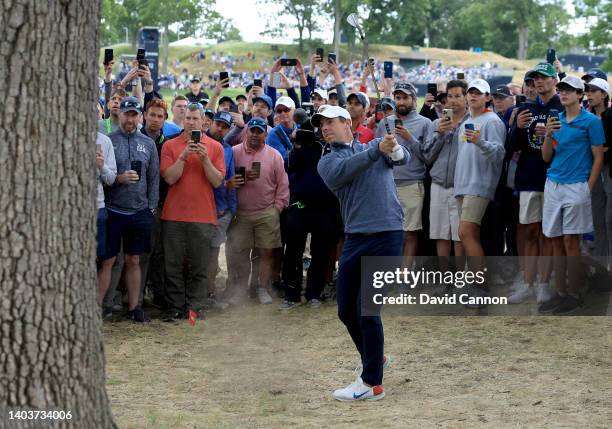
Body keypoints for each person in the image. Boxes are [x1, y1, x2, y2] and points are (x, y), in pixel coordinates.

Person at [317, 106, 409, 402]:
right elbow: (346, 171)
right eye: (322, 124)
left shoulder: (374, 146)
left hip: (388, 235)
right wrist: (378, 150)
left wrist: (393, 149)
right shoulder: (328, 161)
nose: (325, 128)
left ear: (347, 123)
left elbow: (403, 158)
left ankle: (371, 383)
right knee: (346, 310)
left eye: (331, 121)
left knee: (367, 309)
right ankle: (375, 357)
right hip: (356, 238)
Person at [540, 76, 605, 314]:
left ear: (580, 95)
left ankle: (575, 294)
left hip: (577, 185)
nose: (564, 93)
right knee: (556, 241)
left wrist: (587, 188)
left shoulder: (591, 122)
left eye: (569, 90)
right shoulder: (555, 121)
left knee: (571, 242)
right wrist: (548, 134)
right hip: (554, 183)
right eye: (562, 89)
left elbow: (598, 156)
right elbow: (546, 157)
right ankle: (561, 293)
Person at [160, 103, 225, 321]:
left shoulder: (214, 147)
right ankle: (175, 307)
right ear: (183, 119)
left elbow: (217, 181)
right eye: (187, 118)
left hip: (203, 216)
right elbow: (169, 178)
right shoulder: (170, 145)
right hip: (174, 215)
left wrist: (205, 158)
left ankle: (195, 306)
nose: (190, 122)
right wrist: (183, 156)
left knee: (199, 265)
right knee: (173, 265)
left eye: (195, 119)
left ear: (203, 121)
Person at [98, 97, 159, 322]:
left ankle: (134, 307)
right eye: (127, 114)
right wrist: (118, 179)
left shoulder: (148, 143)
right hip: (113, 209)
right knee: (108, 261)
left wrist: (151, 208)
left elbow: (153, 178)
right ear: (119, 115)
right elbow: (101, 176)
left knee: (134, 260)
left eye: (134, 114)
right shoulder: (107, 141)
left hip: (140, 211)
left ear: (139, 116)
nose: (130, 119)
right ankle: (98, 306)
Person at [508, 63, 562, 303]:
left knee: (548, 235)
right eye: (534, 79)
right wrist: (517, 128)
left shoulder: (562, 106)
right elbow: (512, 148)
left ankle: (544, 284)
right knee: (530, 232)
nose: (539, 82)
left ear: (555, 81)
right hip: (528, 177)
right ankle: (528, 283)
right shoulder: (525, 108)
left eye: (544, 78)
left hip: (554, 177)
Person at [453, 79, 506, 306]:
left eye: (478, 93)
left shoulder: (492, 121)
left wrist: (481, 142)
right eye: (471, 92)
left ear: (487, 98)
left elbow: (499, 154)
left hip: (479, 185)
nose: (473, 96)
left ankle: (481, 287)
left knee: (467, 233)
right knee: (467, 235)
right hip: (463, 185)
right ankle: (474, 283)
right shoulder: (467, 121)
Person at [226, 118, 289, 305]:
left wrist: (277, 209)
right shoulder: (234, 152)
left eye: (259, 131)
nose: (254, 134)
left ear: (265, 134)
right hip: (241, 213)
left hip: (266, 212)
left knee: (265, 252)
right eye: (251, 130)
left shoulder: (275, 155)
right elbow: (225, 179)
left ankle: (261, 287)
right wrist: (238, 179)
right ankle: (241, 289)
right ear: (246, 132)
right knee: (241, 253)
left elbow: (282, 185)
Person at [375, 81, 433, 262]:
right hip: (386, 184)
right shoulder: (385, 122)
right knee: (386, 233)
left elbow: (429, 157)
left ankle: (404, 278)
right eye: (398, 97)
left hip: (412, 185)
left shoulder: (425, 123)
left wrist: (410, 138)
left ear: (414, 100)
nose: (401, 102)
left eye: (405, 98)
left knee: (409, 233)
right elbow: (375, 153)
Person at [423, 80, 467, 258]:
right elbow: (427, 155)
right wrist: (440, 134)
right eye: (450, 96)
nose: (453, 100)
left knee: (459, 235)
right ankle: (446, 281)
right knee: (440, 234)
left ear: (466, 97)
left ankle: (459, 279)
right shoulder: (436, 124)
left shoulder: (471, 123)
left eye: (458, 96)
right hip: (439, 184)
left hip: (461, 186)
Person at [206, 111, 237, 310]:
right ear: (210, 123)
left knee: (213, 254)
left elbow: (232, 180)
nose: (220, 129)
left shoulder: (228, 150)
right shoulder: (200, 143)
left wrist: (232, 209)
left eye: (225, 127)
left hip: (220, 210)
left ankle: (208, 293)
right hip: (200, 209)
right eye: (218, 124)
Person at [585, 78, 612, 266]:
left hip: (609, 172)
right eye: (587, 91)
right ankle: (602, 268)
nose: (589, 94)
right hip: (593, 171)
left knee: (610, 220)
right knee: (598, 221)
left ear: (604, 94)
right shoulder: (586, 117)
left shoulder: (611, 116)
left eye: (593, 90)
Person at [96, 132, 117, 311]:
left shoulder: (104, 140)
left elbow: (111, 179)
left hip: (98, 207)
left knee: (97, 260)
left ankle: (94, 306)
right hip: (66, 208)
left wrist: (101, 166)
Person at [267, 96, 296, 162]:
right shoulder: (273, 134)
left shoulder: (301, 127)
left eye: (286, 109)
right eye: (279, 111)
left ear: (294, 110)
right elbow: (283, 160)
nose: (283, 113)